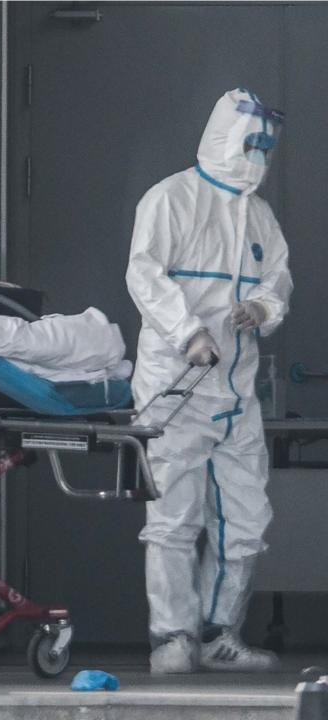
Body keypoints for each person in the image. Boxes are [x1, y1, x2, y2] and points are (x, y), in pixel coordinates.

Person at [126, 90, 292, 674]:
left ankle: (220, 634)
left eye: (266, 146)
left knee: (246, 520)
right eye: (252, 142)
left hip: (236, 391)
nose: (259, 155)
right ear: (225, 136)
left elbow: (278, 280)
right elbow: (144, 275)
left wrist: (262, 311)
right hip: (177, 386)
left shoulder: (260, 216)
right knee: (174, 516)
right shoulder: (172, 199)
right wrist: (189, 332)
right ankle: (172, 637)